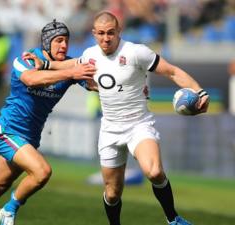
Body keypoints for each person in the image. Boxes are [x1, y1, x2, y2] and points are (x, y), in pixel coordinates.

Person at [39, 11, 209, 225]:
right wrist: (44, 64)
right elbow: (70, 65)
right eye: (100, 33)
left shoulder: (136, 52)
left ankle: (173, 219)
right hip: (110, 129)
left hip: (139, 124)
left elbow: (172, 71)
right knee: (112, 193)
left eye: (110, 32)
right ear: (94, 33)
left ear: (119, 31)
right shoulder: (90, 54)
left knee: (154, 171)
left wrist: (200, 93)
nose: (106, 38)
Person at [0, 19, 97, 225]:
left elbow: (95, 84)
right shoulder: (27, 58)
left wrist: (121, 85)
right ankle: (9, 210)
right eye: (58, 41)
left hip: (29, 138)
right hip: (8, 131)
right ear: (47, 42)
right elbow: (31, 79)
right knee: (42, 172)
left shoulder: (68, 65)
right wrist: (70, 72)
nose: (64, 46)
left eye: (66, 41)